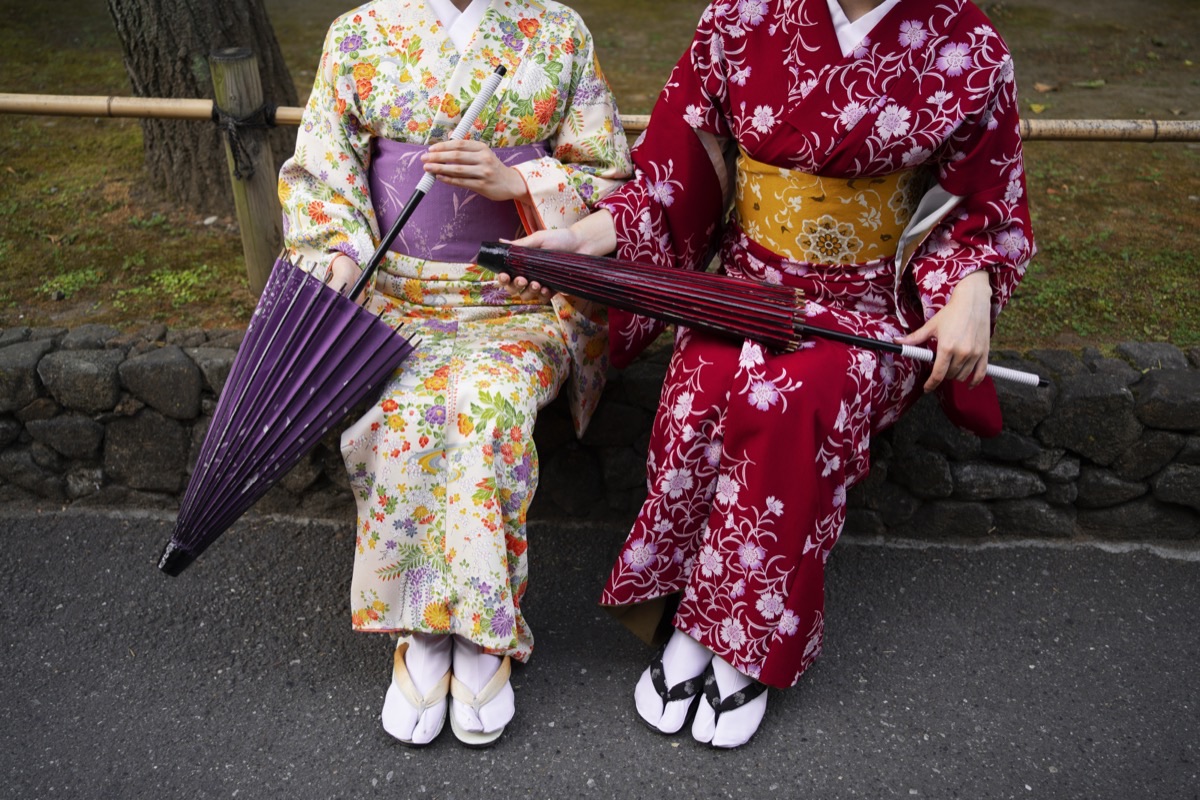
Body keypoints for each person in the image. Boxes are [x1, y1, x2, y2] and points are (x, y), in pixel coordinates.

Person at [511, 0, 1034, 748]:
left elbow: (987, 208)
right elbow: (672, 178)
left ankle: (740, 638)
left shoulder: (967, 43)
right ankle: (691, 612)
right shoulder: (739, 15)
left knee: (786, 398)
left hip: (868, 309)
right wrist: (585, 238)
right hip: (745, 289)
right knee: (699, 392)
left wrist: (973, 285)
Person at [278, 0, 631, 747]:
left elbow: (608, 180)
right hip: (393, 291)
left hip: (514, 294)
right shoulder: (361, 33)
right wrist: (342, 257)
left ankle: (480, 631)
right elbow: (323, 171)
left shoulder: (557, 31)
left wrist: (520, 182)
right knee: (401, 406)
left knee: (486, 405)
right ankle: (424, 630)